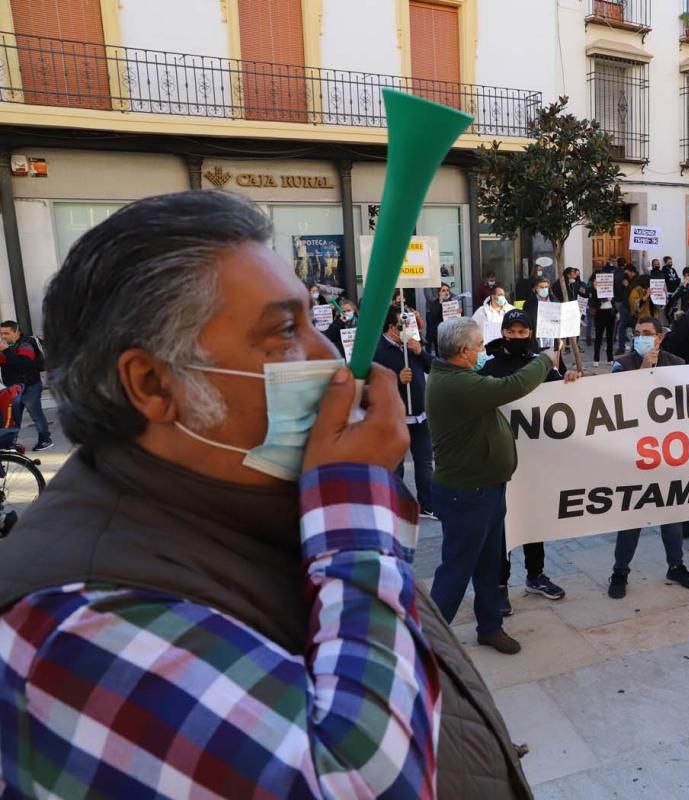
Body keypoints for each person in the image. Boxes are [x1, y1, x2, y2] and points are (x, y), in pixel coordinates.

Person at [0, 191, 517, 797]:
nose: (332, 363)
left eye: (313, 324)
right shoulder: (72, 629)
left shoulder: (262, 498)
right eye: (284, 333)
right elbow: (367, 783)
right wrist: (354, 510)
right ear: (152, 384)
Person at [428, 317, 564, 656]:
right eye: (477, 347)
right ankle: (425, 643)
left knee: (488, 564)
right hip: (467, 493)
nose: (481, 351)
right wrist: (545, 359)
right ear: (462, 351)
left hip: (486, 488)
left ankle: (490, 626)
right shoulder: (455, 384)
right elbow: (511, 386)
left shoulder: (459, 375)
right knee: (456, 570)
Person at [480, 310, 575, 611]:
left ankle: (536, 575)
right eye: (512, 331)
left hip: (536, 460)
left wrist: (571, 380)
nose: (518, 337)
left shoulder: (543, 365)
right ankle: (499, 585)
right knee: (502, 526)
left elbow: (564, 398)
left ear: (530, 333)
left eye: (523, 332)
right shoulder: (489, 369)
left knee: (534, 519)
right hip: (500, 462)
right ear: (504, 333)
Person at [607, 318, 689, 598]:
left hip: (667, 452)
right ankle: (620, 571)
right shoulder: (622, 364)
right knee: (632, 519)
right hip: (635, 453)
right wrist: (644, 370)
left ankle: (676, 565)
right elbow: (617, 403)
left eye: (647, 334)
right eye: (637, 334)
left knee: (671, 516)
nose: (642, 338)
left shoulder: (678, 363)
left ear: (660, 338)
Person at [373, 304, 436, 521]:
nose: (408, 328)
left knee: (425, 463)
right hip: (395, 418)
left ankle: (427, 504)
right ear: (392, 327)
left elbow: (435, 369)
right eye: (403, 324)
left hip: (420, 417)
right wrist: (396, 380)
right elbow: (371, 384)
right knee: (396, 466)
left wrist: (421, 352)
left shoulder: (412, 345)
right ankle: (396, 507)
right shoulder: (378, 350)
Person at [0, 321, 50, 450]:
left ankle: (45, 440)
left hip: (30, 386)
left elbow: (24, 365)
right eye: (1, 333)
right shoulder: (7, 346)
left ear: (16, 332)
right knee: (13, 417)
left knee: (36, 415)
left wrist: (5, 350)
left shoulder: (26, 344)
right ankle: (10, 443)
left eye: (7, 333)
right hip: (14, 388)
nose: (4, 336)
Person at [589, 265, 618, 366]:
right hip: (600, 313)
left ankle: (610, 359)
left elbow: (613, 301)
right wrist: (595, 289)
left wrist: (617, 312)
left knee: (610, 337)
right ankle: (596, 359)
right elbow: (594, 301)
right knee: (598, 337)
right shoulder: (594, 289)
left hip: (610, 313)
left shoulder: (611, 287)